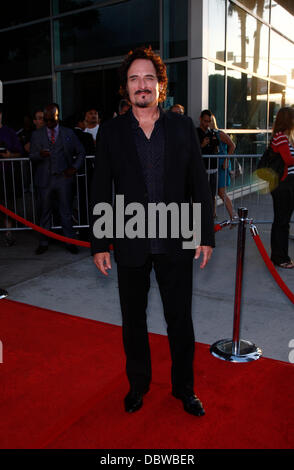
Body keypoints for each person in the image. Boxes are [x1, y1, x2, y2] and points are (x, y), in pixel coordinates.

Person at [90, 46, 215, 416]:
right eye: (134, 79)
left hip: (176, 238)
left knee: (180, 320)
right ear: (125, 88)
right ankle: (138, 384)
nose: (141, 85)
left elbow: (198, 183)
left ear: (160, 86)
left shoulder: (182, 126)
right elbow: (101, 188)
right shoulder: (111, 132)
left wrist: (204, 234)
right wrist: (99, 242)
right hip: (130, 242)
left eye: (149, 78)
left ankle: (184, 388)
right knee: (133, 321)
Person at [30, 103, 86, 255]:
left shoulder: (68, 133)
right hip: (44, 179)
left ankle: (70, 241)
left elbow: (81, 152)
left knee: (66, 211)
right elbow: (31, 156)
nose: (48, 124)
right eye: (46, 120)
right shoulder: (37, 135)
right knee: (44, 212)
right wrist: (39, 155)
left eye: (51, 120)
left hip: (63, 178)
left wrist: (74, 167)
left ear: (57, 117)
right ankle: (43, 242)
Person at [270, 107, 294, 269]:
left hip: (287, 185)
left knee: (283, 222)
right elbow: (289, 160)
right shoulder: (281, 138)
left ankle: (280, 256)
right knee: (281, 222)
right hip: (283, 185)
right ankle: (280, 257)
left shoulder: (285, 137)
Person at [0, 104, 23, 246]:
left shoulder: (8, 132)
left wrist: (9, 155)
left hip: (5, 173)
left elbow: (20, 152)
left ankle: (9, 232)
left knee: (7, 203)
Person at [210, 114, 236, 219]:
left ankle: (233, 215)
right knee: (212, 191)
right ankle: (213, 214)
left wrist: (226, 159)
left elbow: (232, 145)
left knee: (221, 192)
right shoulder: (208, 134)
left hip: (222, 165)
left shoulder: (219, 133)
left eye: (209, 120)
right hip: (213, 165)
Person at [196, 110, 219, 215]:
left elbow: (217, 148)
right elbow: (193, 150)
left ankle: (212, 214)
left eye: (209, 121)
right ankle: (199, 215)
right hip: (201, 169)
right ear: (200, 119)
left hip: (213, 168)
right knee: (200, 194)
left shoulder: (212, 132)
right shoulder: (195, 132)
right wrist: (202, 145)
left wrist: (215, 146)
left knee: (212, 194)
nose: (207, 124)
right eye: (205, 121)